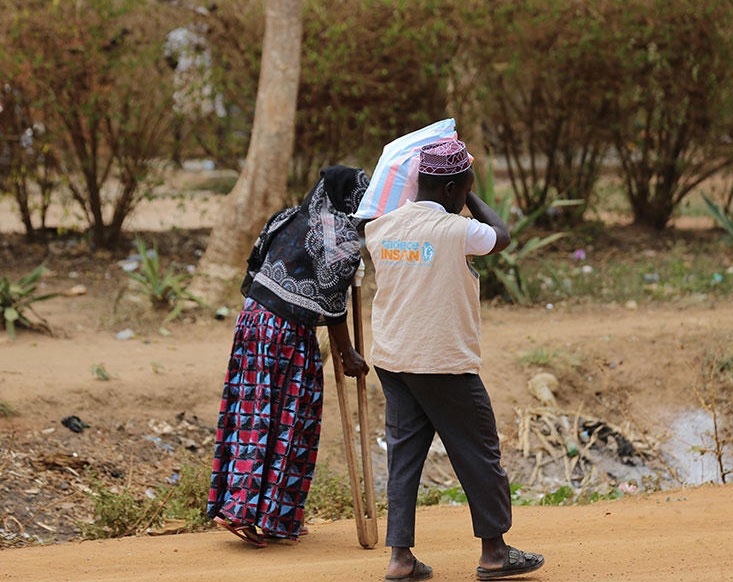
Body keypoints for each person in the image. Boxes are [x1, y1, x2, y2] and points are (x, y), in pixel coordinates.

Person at [364, 139, 545, 581]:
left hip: (393, 359)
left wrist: (450, 188)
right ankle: (495, 554)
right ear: (453, 189)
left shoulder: (380, 227)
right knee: (479, 453)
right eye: (465, 184)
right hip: (442, 361)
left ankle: (400, 558)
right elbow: (500, 235)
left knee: (403, 458)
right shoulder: (457, 230)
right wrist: (469, 193)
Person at [207, 165, 371, 546]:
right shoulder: (339, 236)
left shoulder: (288, 216)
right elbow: (332, 305)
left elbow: (253, 269)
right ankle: (249, 512)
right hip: (286, 332)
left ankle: (260, 512)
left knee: (253, 408)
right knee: (286, 416)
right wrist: (348, 354)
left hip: (252, 320)